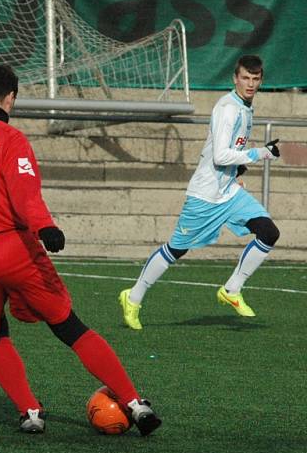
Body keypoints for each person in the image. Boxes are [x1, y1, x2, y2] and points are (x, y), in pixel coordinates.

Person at [0, 63, 161, 435]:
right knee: (70, 328)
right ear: (10, 98)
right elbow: (24, 193)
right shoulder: (10, 139)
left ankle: (29, 411)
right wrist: (46, 227)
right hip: (13, 250)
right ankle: (133, 402)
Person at [119, 54, 280, 330]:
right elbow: (220, 155)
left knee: (268, 232)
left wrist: (236, 174)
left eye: (255, 79)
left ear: (261, 80)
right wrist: (260, 153)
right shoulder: (228, 108)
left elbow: (230, 154)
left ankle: (231, 290)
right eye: (245, 78)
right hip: (205, 196)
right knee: (176, 250)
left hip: (227, 192)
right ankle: (132, 298)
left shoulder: (245, 107)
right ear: (235, 78)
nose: (250, 84)